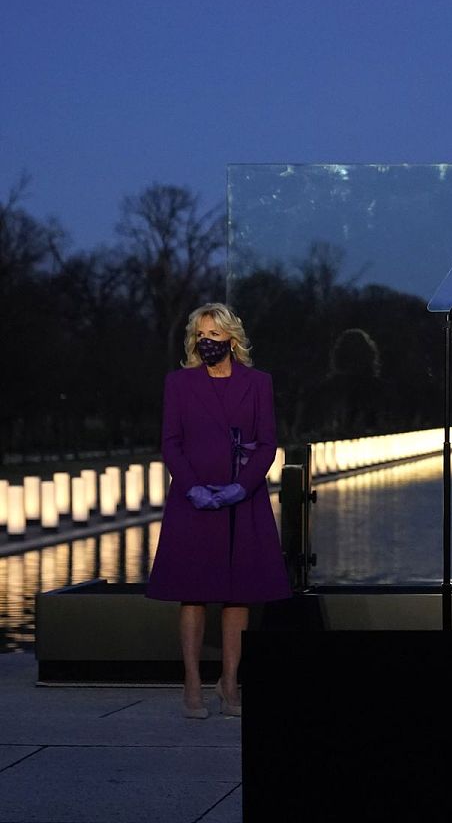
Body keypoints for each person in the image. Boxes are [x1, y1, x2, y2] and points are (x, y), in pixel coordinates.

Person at [146, 303, 290, 718]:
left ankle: (230, 684)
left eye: (214, 334)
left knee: (238, 595)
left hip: (241, 501)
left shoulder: (258, 383)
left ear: (231, 337)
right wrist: (192, 488)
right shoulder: (179, 383)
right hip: (193, 500)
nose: (206, 342)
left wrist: (239, 488)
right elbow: (170, 441)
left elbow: (267, 443)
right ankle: (192, 684)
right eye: (200, 335)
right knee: (191, 594)